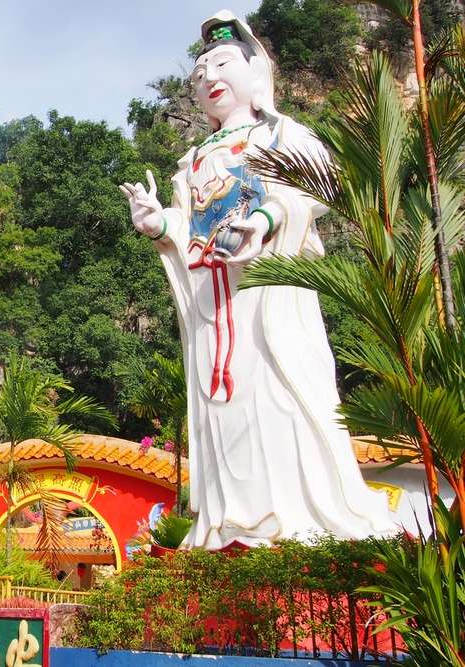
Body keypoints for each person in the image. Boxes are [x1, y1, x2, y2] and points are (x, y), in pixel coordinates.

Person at [119, 10, 396, 549]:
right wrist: (159, 224)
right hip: (213, 304)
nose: (209, 79)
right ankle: (228, 524)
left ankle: (295, 524)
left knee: (277, 399)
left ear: (256, 71)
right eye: (200, 74)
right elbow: (190, 227)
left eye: (223, 64)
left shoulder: (281, 133)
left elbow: (319, 186)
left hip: (267, 294)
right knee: (223, 410)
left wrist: (266, 220)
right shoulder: (192, 161)